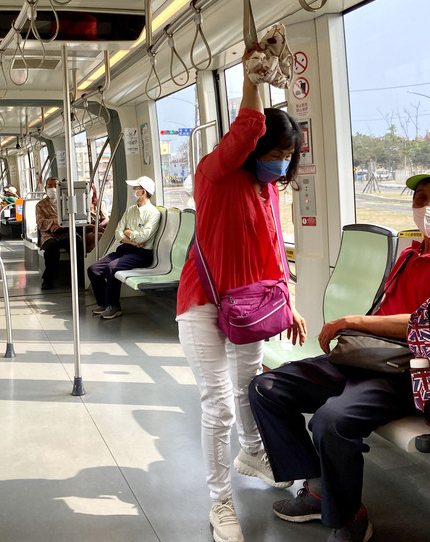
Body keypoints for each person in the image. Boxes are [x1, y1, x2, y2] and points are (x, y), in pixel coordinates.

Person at [249, 164, 430, 542]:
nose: (428, 207)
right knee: (266, 388)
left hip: (414, 371)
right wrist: (359, 332)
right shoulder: (409, 256)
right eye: (420, 198)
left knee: (331, 421)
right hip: (370, 358)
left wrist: (354, 322)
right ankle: (316, 488)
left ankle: (347, 515)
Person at [175, 47, 307, 542]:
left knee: (249, 386)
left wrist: (288, 301)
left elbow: (275, 252)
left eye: (286, 157)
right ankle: (220, 502)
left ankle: (253, 450)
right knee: (218, 404)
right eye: (272, 155)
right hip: (203, 303)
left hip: (251, 304)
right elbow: (248, 127)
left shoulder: (266, 191)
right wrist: (252, 79)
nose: (279, 165)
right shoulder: (216, 175)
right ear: (251, 150)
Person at [87, 175, 160, 319]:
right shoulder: (131, 210)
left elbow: (144, 237)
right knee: (93, 269)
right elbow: (118, 232)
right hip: (126, 249)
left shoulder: (153, 213)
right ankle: (103, 303)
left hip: (142, 254)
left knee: (112, 268)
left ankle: (113, 306)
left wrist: (128, 233)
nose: (133, 191)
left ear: (143, 191)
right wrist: (132, 240)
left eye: (136, 189)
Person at [36, 177, 84, 290]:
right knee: (51, 248)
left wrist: (60, 224)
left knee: (78, 245)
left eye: (55, 186)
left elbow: (73, 218)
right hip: (48, 233)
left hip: (66, 232)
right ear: (45, 188)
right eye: (50, 186)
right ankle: (48, 280)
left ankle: (80, 277)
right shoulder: (40, 205)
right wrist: (54, 222)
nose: (52, 188)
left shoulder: (66, 202)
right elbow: (40, 222)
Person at [85, 185, 109, 253]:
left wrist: (100, 225)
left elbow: (106, 218)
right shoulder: (80, 206)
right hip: (88, 231)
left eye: (90, 190)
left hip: (100, 227)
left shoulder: (99, 204)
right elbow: (80, 223)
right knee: (99, 236)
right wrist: (95, 227)